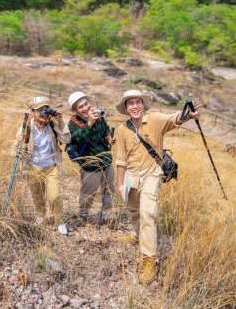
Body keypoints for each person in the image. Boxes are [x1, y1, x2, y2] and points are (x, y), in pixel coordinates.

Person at [115, 90, 202, 285]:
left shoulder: (154, 119)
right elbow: (120, 159)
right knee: (133, 209)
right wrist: (120, 183)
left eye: (138, 102)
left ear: (143, 105)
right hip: (131, 175)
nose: (135, 106)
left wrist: (188, 114)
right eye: (131, 103)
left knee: (148, 212)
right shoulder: (121, 130)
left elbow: (174, 118)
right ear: (126, 108)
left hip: (152, 173)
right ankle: (136, 234)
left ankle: (149, 259)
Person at [14, 96, 71, 235]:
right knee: (37, 195)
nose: (43, 113)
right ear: (33, 111)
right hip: (33, 167)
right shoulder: (27, 126)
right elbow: (15, 151)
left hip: (51, 167)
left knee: (54, 196)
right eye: (40, 110)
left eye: (46, 109)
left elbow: (66, 139)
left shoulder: (52, 124)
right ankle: (41, 215)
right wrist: (18, 141)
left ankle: (59, 221)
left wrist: (61, 121)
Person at [67, 91, 115, 222]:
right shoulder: (73, 123)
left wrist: (109, 138)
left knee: (108, 189)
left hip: (106, 159)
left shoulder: (98, 115)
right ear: (74, 110)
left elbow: (105, 130)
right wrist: (89, 123)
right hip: (89, 163)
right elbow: (78, 138)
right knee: (88, 192)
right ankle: (83, 215)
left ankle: (108, 215)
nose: (85, 108)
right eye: (80, 107)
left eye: (86, 104)